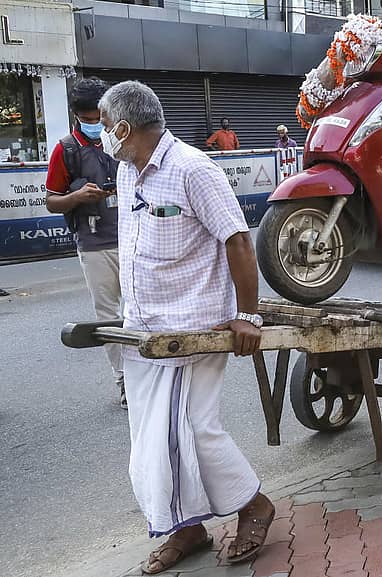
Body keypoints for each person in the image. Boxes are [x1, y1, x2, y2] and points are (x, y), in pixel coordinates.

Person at [98, 81, 274, 573]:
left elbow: (238, 240)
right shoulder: (126, 171)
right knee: (152, 439)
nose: (101, 134)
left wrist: (248, 315)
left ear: (124, 128)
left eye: (106, 125)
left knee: (194, 430)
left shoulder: (193, 169)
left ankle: (254, 505)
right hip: (142, 330)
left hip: (191, 328)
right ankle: (187, 528)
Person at [44, 77, 126, 409]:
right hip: (94, 244)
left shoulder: (122, 138)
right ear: (76, 115)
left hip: (132, 238)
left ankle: (149, 375)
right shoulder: (66, 150)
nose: (95, 125)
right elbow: (51, 200)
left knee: (142, 311)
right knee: (108, 317)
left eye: (99, 118)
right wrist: (76, 197)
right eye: (88, 119)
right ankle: (124, 381)